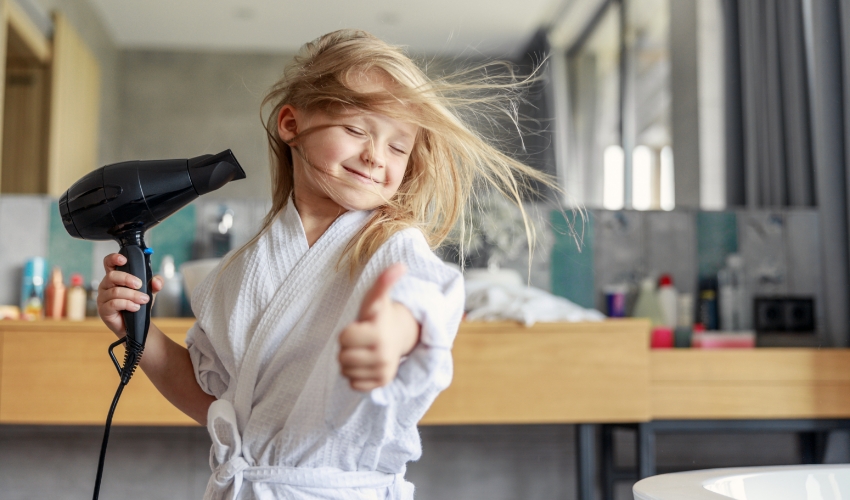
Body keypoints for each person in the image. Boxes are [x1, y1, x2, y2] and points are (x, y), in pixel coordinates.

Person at [96, 30, 554, 500]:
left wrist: (390, 336)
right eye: (357, 130)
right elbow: (215, 403)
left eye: (399, 147)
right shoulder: (236, 271)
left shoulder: (391, 244)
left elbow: (420, 301)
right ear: (290, 124)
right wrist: (140, 332)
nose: (377, 155)